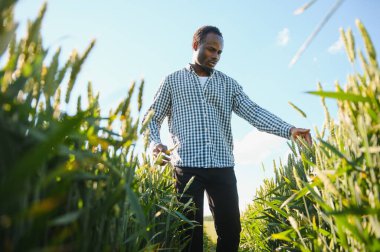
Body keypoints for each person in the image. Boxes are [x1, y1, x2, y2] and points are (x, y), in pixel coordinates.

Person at [142, 25, 312, 252]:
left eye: (219, 52)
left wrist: (289, 130)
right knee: (188, 237)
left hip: (222, 166)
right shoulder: (172, 81)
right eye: (211, 50)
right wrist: (155, 143)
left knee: (231, 232)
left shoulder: (228, 84)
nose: (215, 56)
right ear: (195, 45)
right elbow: (151, 118)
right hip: (185, 167)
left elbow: (254, 112)